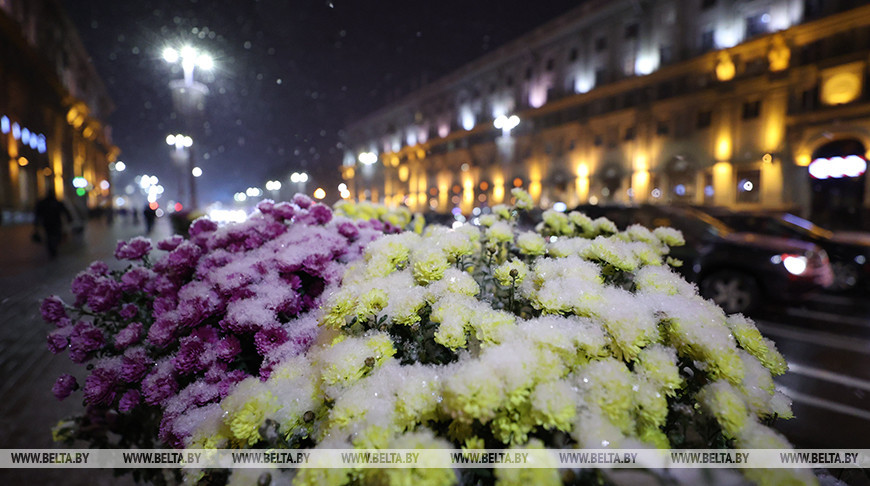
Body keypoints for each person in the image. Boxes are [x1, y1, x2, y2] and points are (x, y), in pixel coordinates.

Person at [34, 189, 72, 258]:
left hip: (48, 223)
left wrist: (36, 224)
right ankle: (53, 248)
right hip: (55, 223)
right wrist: (69, 219)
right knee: (54, 235)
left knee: (50, 236)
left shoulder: (43, 203)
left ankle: (52, 248)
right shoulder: (56, 202)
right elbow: (65, 212)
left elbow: (37, 214)